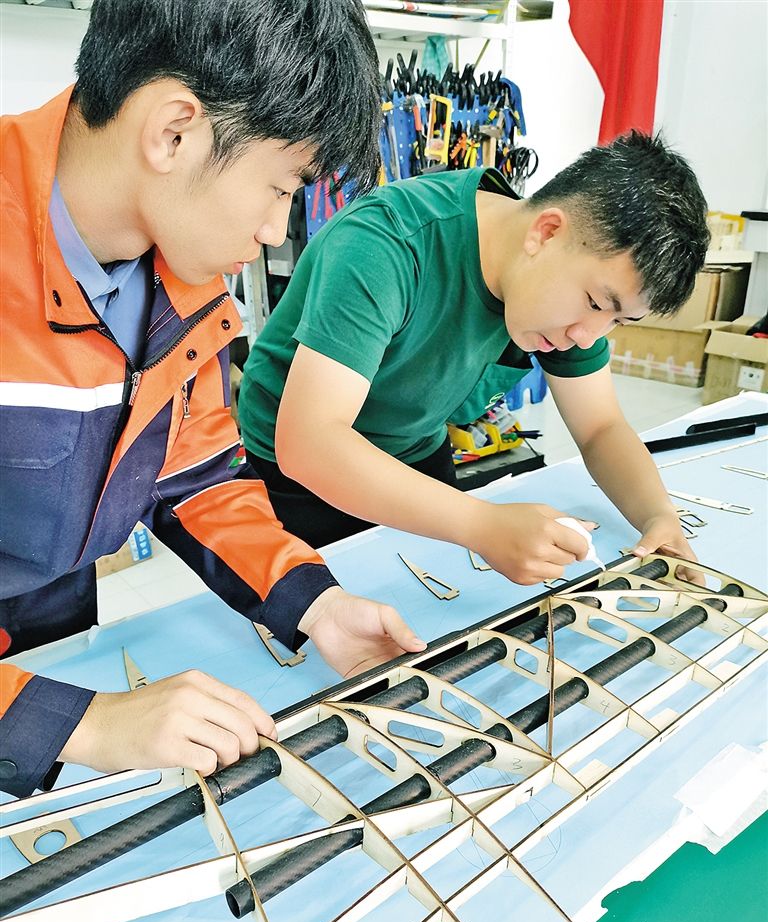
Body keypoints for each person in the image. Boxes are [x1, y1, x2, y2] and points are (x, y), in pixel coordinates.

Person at [0, 0, 427, 800]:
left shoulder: (181, 276)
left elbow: (195, 478)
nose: (275, 231)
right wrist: (82, 726)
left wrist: (314, 605)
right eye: (279, 187)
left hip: (49, 634)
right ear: (174, 132)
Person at [239, 131, 708, 583]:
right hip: (292, 472)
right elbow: (310, 443)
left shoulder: (562, 292)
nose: (588, 338)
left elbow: (600, 427)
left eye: (619, 320)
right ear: (546, 232)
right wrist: (483, 525)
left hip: (413, 451)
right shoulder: (386, 243)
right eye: (596, 303)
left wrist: (658, 516)